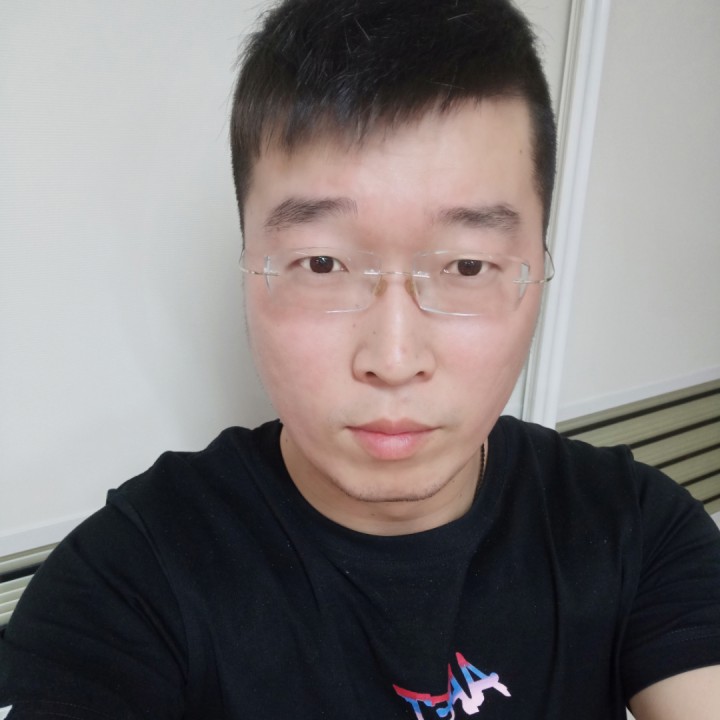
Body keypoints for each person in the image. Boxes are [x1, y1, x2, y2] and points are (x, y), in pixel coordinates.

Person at [1, 0, 719, 717]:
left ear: (539, 267)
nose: (394, 358)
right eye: (322, 263)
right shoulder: (129, 583)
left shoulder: (634, 529)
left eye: (468, 266)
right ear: (248, 265)